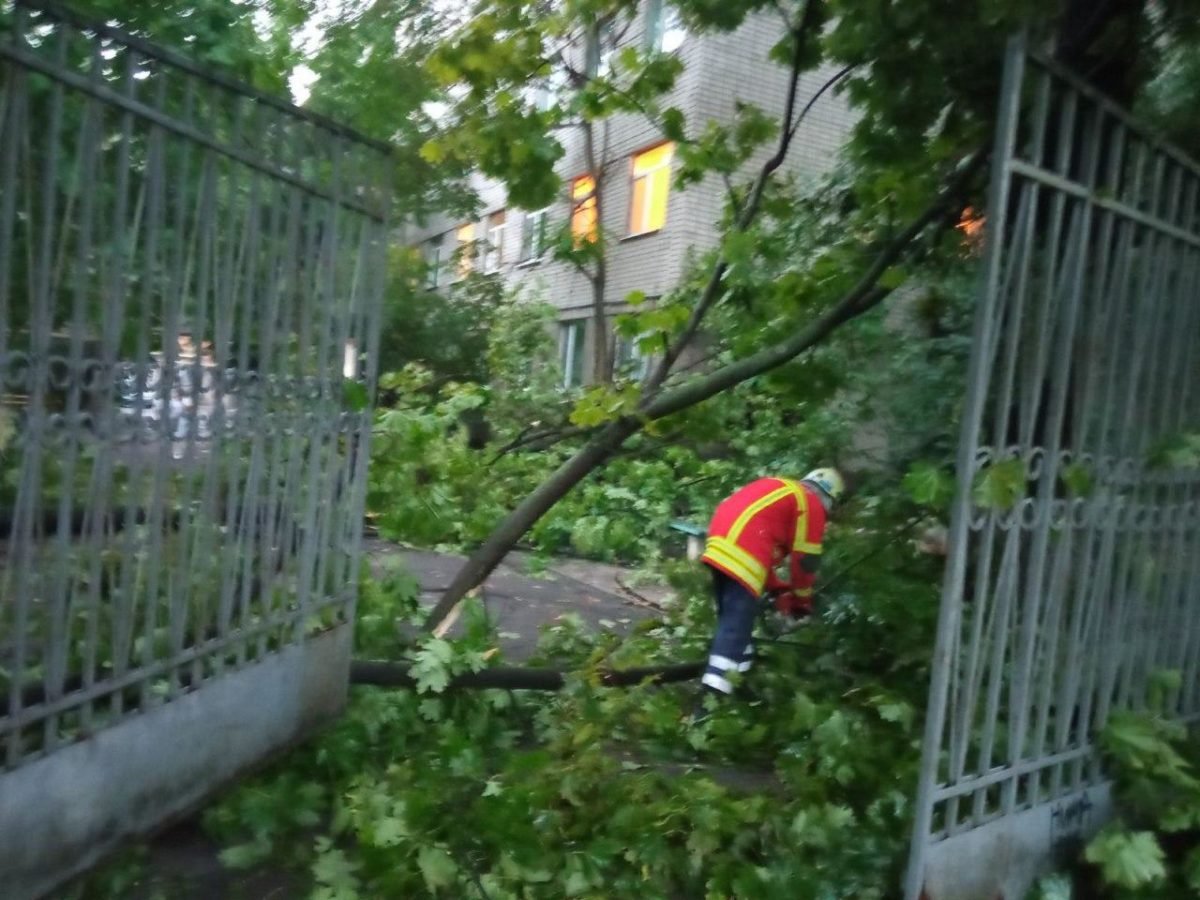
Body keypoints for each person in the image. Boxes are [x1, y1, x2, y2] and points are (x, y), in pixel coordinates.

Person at [697, 467, 844, 697]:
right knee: (735, 629)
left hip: (719, 544)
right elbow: (805, 561)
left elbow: (755, 540)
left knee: (738, 625)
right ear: (829, 499)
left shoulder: (783, 489)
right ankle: (709, 702)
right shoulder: (811, 503)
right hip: (742, 553)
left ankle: (740, 688)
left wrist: (778, 589)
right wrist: (801, 604)